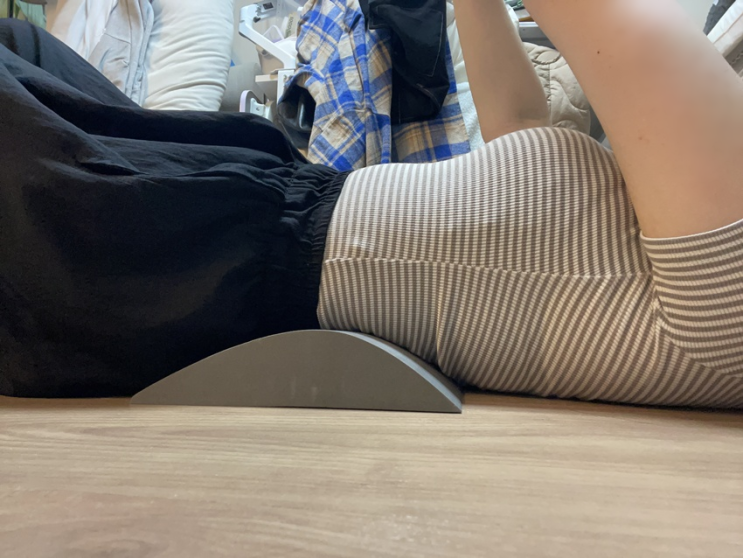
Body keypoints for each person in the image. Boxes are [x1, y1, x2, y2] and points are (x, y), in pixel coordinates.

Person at [0, 0, 741, 408]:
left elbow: (629, 36)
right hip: (257, 201)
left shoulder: (722, 309)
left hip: (220, 258)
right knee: (22, 47)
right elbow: (521, 129)